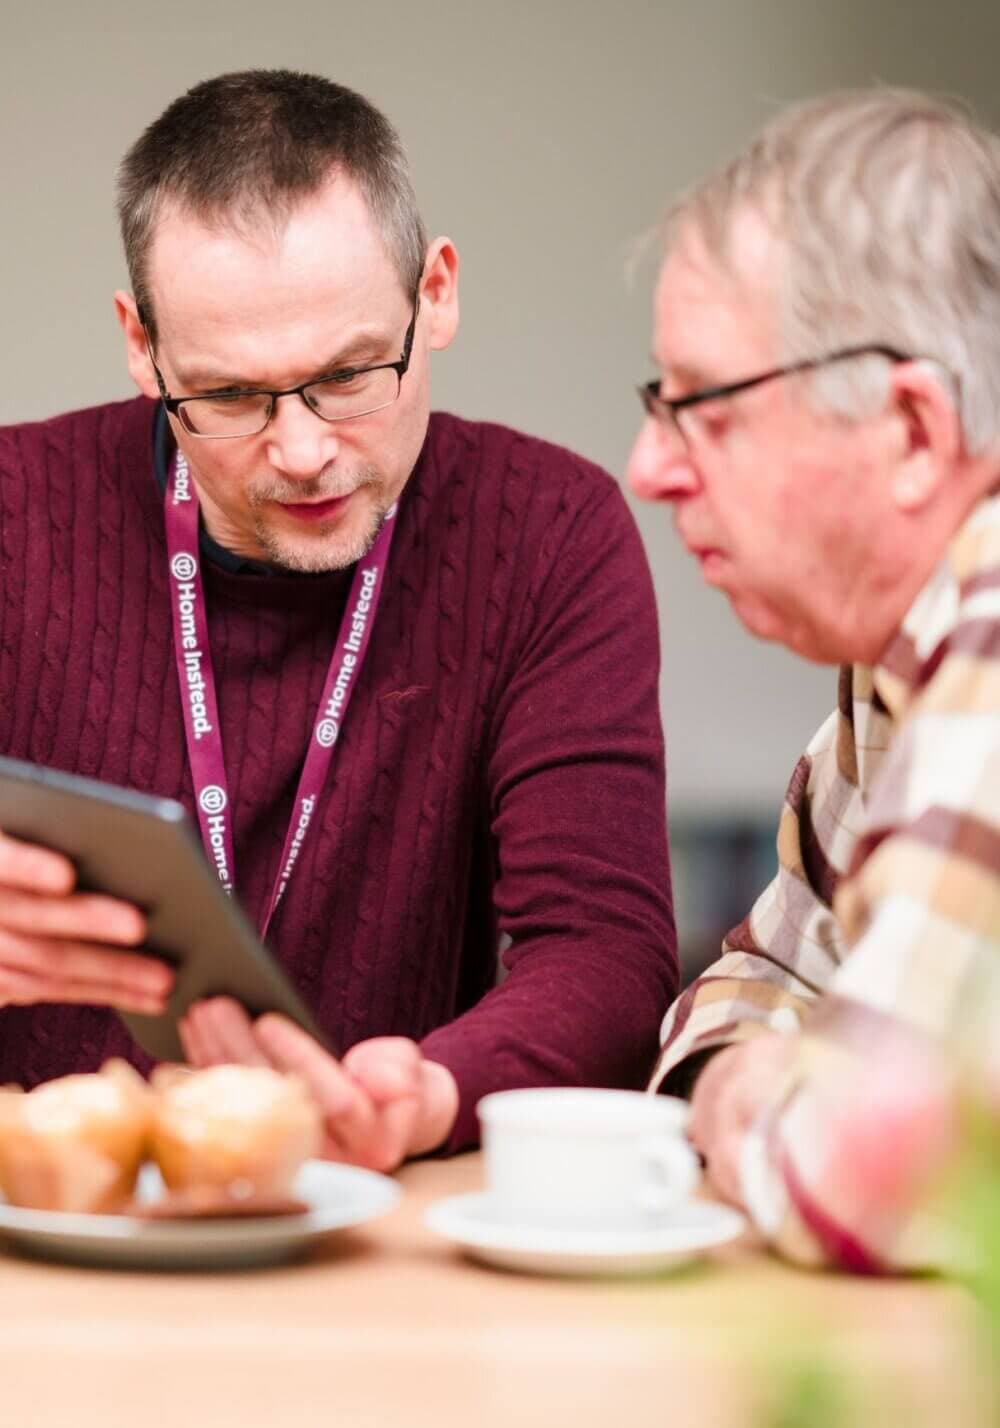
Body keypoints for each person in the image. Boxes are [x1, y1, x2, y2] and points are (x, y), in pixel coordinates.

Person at [0, 69, 677, 1170]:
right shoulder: (12, 513)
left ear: (438, 292)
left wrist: (427, 1094)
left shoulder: (549, 530)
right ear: (141, 346)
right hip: (46, 1232)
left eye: (351, 375)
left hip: (387, 1224)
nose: (304, 450)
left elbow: (602, 951)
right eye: (228, 398)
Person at [627, 88, 1000, 1271]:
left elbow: (844, 1178)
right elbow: (749, 979)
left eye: (703, 408)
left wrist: (754, 1102)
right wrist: (761, 1071)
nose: (647, 468)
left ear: (909, 433)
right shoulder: (891, 664)